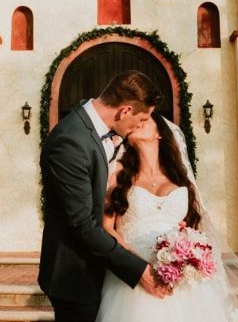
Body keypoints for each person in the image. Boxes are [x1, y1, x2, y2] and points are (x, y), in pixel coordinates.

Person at [38, 70, 170, 322]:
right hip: (76, 274)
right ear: (125, 110)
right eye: (141, 119)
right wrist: (140, 270)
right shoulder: (70, 142)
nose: (141, 126)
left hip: (105, 268)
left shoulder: (101, 130)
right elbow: (83, 225)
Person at [96, 112, 238, 322]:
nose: (138, 123)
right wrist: (139, 268)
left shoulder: (181, 178)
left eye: (145, 120)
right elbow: (107, 228)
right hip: (131, 277)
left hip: (179, 280)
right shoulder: (117, 174)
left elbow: (197, 230)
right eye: (136, 120)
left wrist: (189, 253)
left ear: (159, 134)